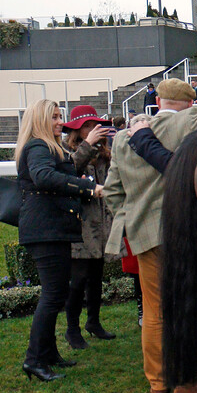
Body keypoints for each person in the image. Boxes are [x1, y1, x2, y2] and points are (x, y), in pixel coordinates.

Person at [104, 78, 197, 393]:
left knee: (154, 311)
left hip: (145, 234)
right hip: (186, 230)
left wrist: (134, 216)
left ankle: (157, 384)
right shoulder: (191, 122)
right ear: (188, 102)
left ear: (159, 100)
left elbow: (113, 191)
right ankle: (185, 382)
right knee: (187, 307)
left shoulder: (124, 138)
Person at [16, 100, 100, 381]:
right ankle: (34, 359)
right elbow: (43, 177)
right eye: (53, 117)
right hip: (45, 229)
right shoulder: (38, 147)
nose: (59, 122)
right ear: (39, 120)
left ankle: (48, 353)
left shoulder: (47, 147)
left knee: (56, 293)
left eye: (59, 116)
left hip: (51, 228)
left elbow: (58, 176)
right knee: (53, 295)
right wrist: (89, 187)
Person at [61, 106, 117, 350]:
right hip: (79, 224)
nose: (92, 130)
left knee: (96, 276)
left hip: (102, 223)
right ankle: (72, 329)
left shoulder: (104, 152)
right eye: (86, 126)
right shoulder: (65, 151)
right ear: (76, 130)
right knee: (78, 279)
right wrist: (88, 145)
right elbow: (67, 172)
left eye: (95, 125)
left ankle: (93, 322)